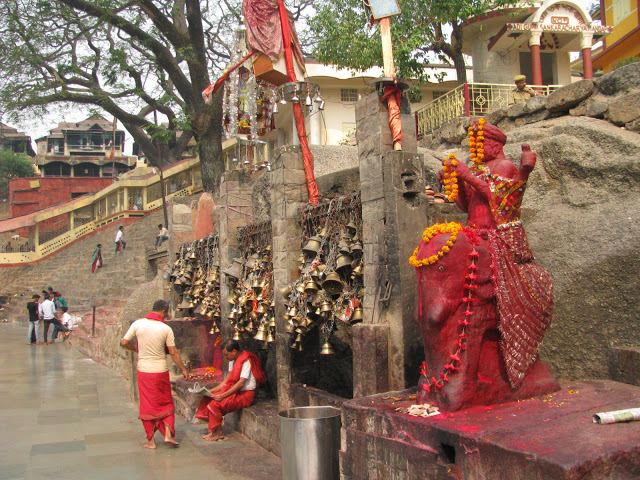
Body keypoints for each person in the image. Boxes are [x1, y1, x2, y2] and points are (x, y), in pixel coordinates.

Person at [443, 120, 553, 387]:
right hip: (473, 232)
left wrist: (467, 174)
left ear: (495, 144)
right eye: (476, 144)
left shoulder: (504, 167)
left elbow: (496, 197)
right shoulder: (480, 168)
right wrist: (457, 181)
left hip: (496, 236)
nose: (478, 149)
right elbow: (464, 205)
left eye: (481, 144)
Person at [120, 300, 189, 449]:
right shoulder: (165, 329)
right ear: (164, 311)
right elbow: (173, 352)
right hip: (160, 370)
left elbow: (124, 342)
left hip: (144, 370)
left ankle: (151, 441)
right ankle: (168, 435)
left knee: (147, 404)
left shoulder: (137, 324)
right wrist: (183, 369)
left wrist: (136, 349)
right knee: (165, 401)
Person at [195, 340, 266, 441]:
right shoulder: (232, 361)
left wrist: (222, 396)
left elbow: (241, 383)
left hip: (245, 395)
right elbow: (227, 382)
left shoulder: (246, 360)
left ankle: (218, 432)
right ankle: (214, 431)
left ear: (234, 351)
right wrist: (209, 391)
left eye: (226, 355)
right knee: (207, 399)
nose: (226, 358)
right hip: (235, 392)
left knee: (214, 404)